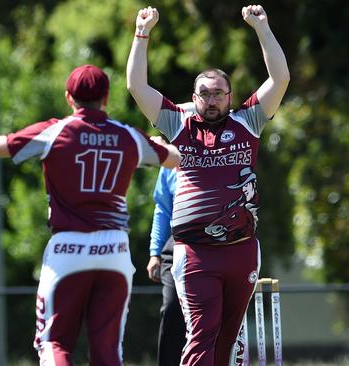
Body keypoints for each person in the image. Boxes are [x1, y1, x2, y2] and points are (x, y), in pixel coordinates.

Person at [0, 64, 181, 365]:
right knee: (108, 351)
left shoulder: (56, 131)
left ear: (69, 98)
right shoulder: (128, 136)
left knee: (54, 342)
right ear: (106, 98)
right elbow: (174, 159)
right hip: (115, 252)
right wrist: (158, 145)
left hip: (68, 249)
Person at [127, 4, 289, 366]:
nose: (212, 100)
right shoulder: (177, 122)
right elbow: (137, 86)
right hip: (195, 252)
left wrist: (262, 28)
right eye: (205, 93)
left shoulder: (249, 120)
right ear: (194, 95)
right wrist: (142, 34)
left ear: (230, 97)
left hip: (242, 248)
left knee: (228, 342)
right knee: (202, 335)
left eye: (219, 93)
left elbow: (280, 80)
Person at [146, 167, 185, 366]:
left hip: (212, 244)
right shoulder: (171, 161)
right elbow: (162, 209)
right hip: (176, 243)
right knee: (171, 312)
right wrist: (155, 252)